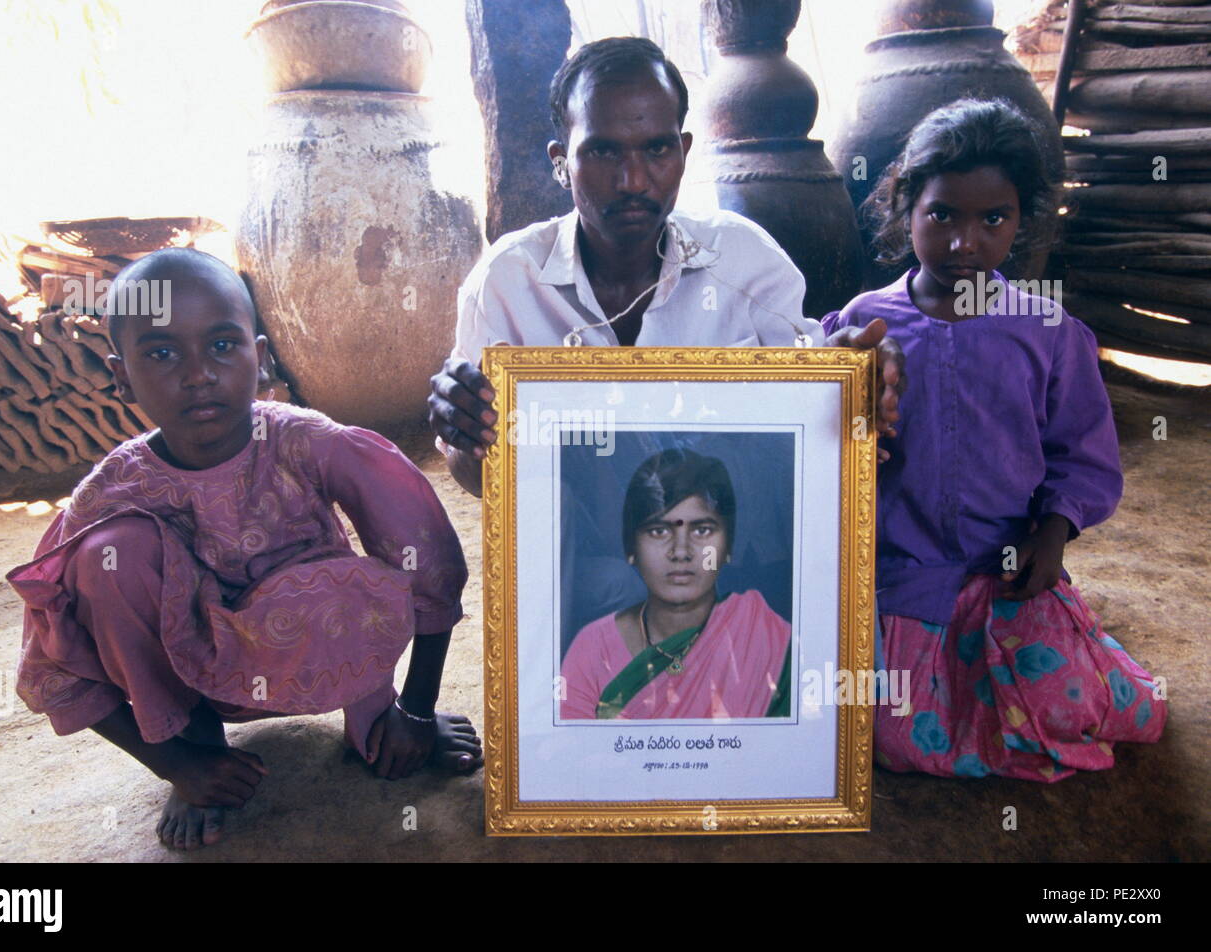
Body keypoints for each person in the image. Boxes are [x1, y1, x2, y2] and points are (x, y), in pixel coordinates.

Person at [6, 248, 483, 851]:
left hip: (324, 647)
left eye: (223, 346)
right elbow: (52, 650)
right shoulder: (111, 492)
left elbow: (428, 555)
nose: (198, 373)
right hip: (194, 681)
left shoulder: (308, 442)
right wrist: (170, 761)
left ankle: (376, 717)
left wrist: (416, 707)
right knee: (109, 557)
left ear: (259, 360)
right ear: (121, 376)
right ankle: (196, 745)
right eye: (161, 353)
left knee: (338, 577)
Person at [822, 99, 1166, 781]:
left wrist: (1053, 532)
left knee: (1070, 705)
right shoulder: (865, 324)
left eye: (993, 219)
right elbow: (827, 440)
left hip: (1005, 570)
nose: (964, 242)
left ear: (1021, 221)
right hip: (899, 575)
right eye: (942, 214)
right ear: (904, 206)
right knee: (885, 734)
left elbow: (1083, 454)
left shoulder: (1047, 332)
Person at [428, 36, 906, 498]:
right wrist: (464, 433)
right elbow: (476, 477)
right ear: (561, 163)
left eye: (656, 149)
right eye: (603, 150)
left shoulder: (746, 262)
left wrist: (848, 380)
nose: (633, 180)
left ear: (684, 151)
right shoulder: (506, 283)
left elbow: (810, 410)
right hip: (573, 562)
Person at [560, 448, 791, 720]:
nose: (681, 552)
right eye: (659, 531)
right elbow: (573, 755)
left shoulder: (766, 639)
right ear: (631, 548)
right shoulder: (593, 650)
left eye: (701, 530)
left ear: (728, 547)